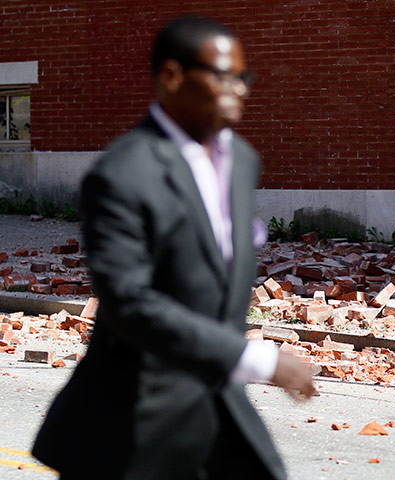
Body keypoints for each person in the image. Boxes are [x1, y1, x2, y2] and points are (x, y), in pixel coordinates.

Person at [32, 16, 315, 480]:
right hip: (131, 430)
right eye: (224, 76)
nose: (240, 89)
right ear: (172, 76)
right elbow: (129, 303)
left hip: (214, 414)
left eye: (244, 78)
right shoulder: (123, 172)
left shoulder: (242, 161)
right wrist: (257, 360)